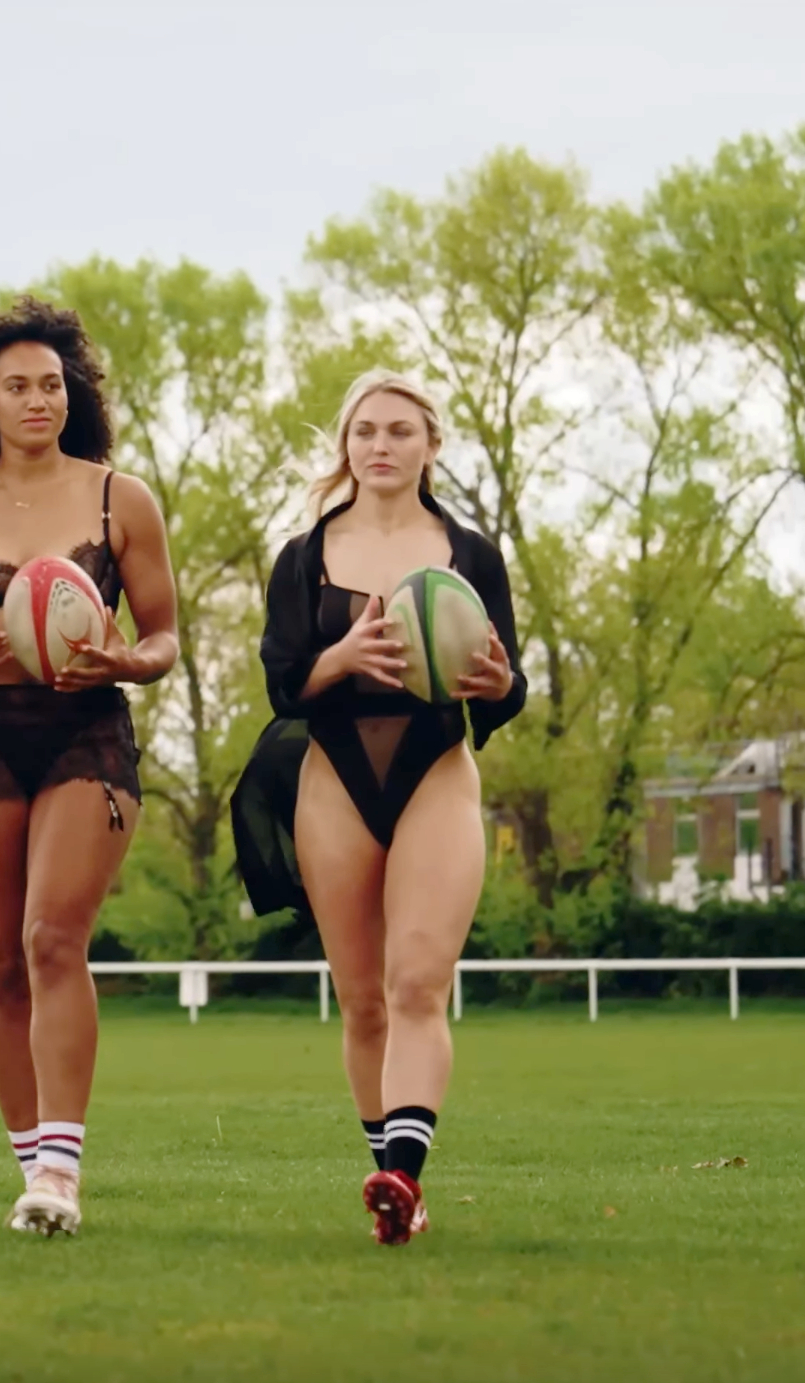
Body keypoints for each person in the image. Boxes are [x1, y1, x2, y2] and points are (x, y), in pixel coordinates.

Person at [0, 297, 179, 1236]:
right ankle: (31, 1170)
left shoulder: (119, 498)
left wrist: (125, 659)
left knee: (52, 937)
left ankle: (60, 1171)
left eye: (51, 384)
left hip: (84, 730)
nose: (36, 400)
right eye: (16, 386)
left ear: (70, 394)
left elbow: (164, 637)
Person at [230, 370, 523, 1246]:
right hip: (334, 775)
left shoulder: (470, 554)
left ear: (430, 446)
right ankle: (392, 1186)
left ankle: (401, 1174)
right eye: (365, 430)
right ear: (345, 445)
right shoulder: (303, 555)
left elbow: (506, 686)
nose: (380, 445)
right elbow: (283, 683)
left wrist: (498, 683)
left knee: (417, 983)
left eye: (399, 430)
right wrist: (343, 655)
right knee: (361, 1001)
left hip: (433, 767)